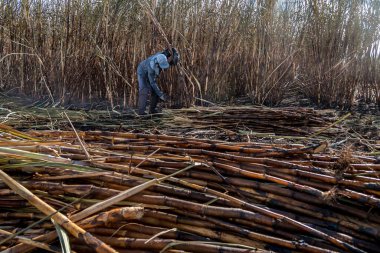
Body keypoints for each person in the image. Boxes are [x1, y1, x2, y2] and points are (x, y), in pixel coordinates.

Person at [137, 48, 179, 115]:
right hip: (142, 72)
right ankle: (141, 113)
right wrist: (161, 95)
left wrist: (173, 53)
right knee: (144, 90)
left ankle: (152, 110)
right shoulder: (151, 69)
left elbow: (168, 51)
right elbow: (152, 83)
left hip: (151, 68)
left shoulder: (162, 56)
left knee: (155, 91)